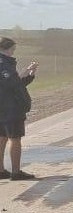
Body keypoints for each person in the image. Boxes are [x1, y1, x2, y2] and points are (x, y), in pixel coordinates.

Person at [0, 36, 38, 181]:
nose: (13, 52)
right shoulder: (4, 64)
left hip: (3, 107)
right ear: (7, 48)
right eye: (13, 50)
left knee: (2, 137)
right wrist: (23, 72)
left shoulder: (6, 64)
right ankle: (16, 172)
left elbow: (16, 86)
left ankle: (1, 170)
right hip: (11, 108)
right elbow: (11, 84)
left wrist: (30, 74)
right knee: (15, 139)